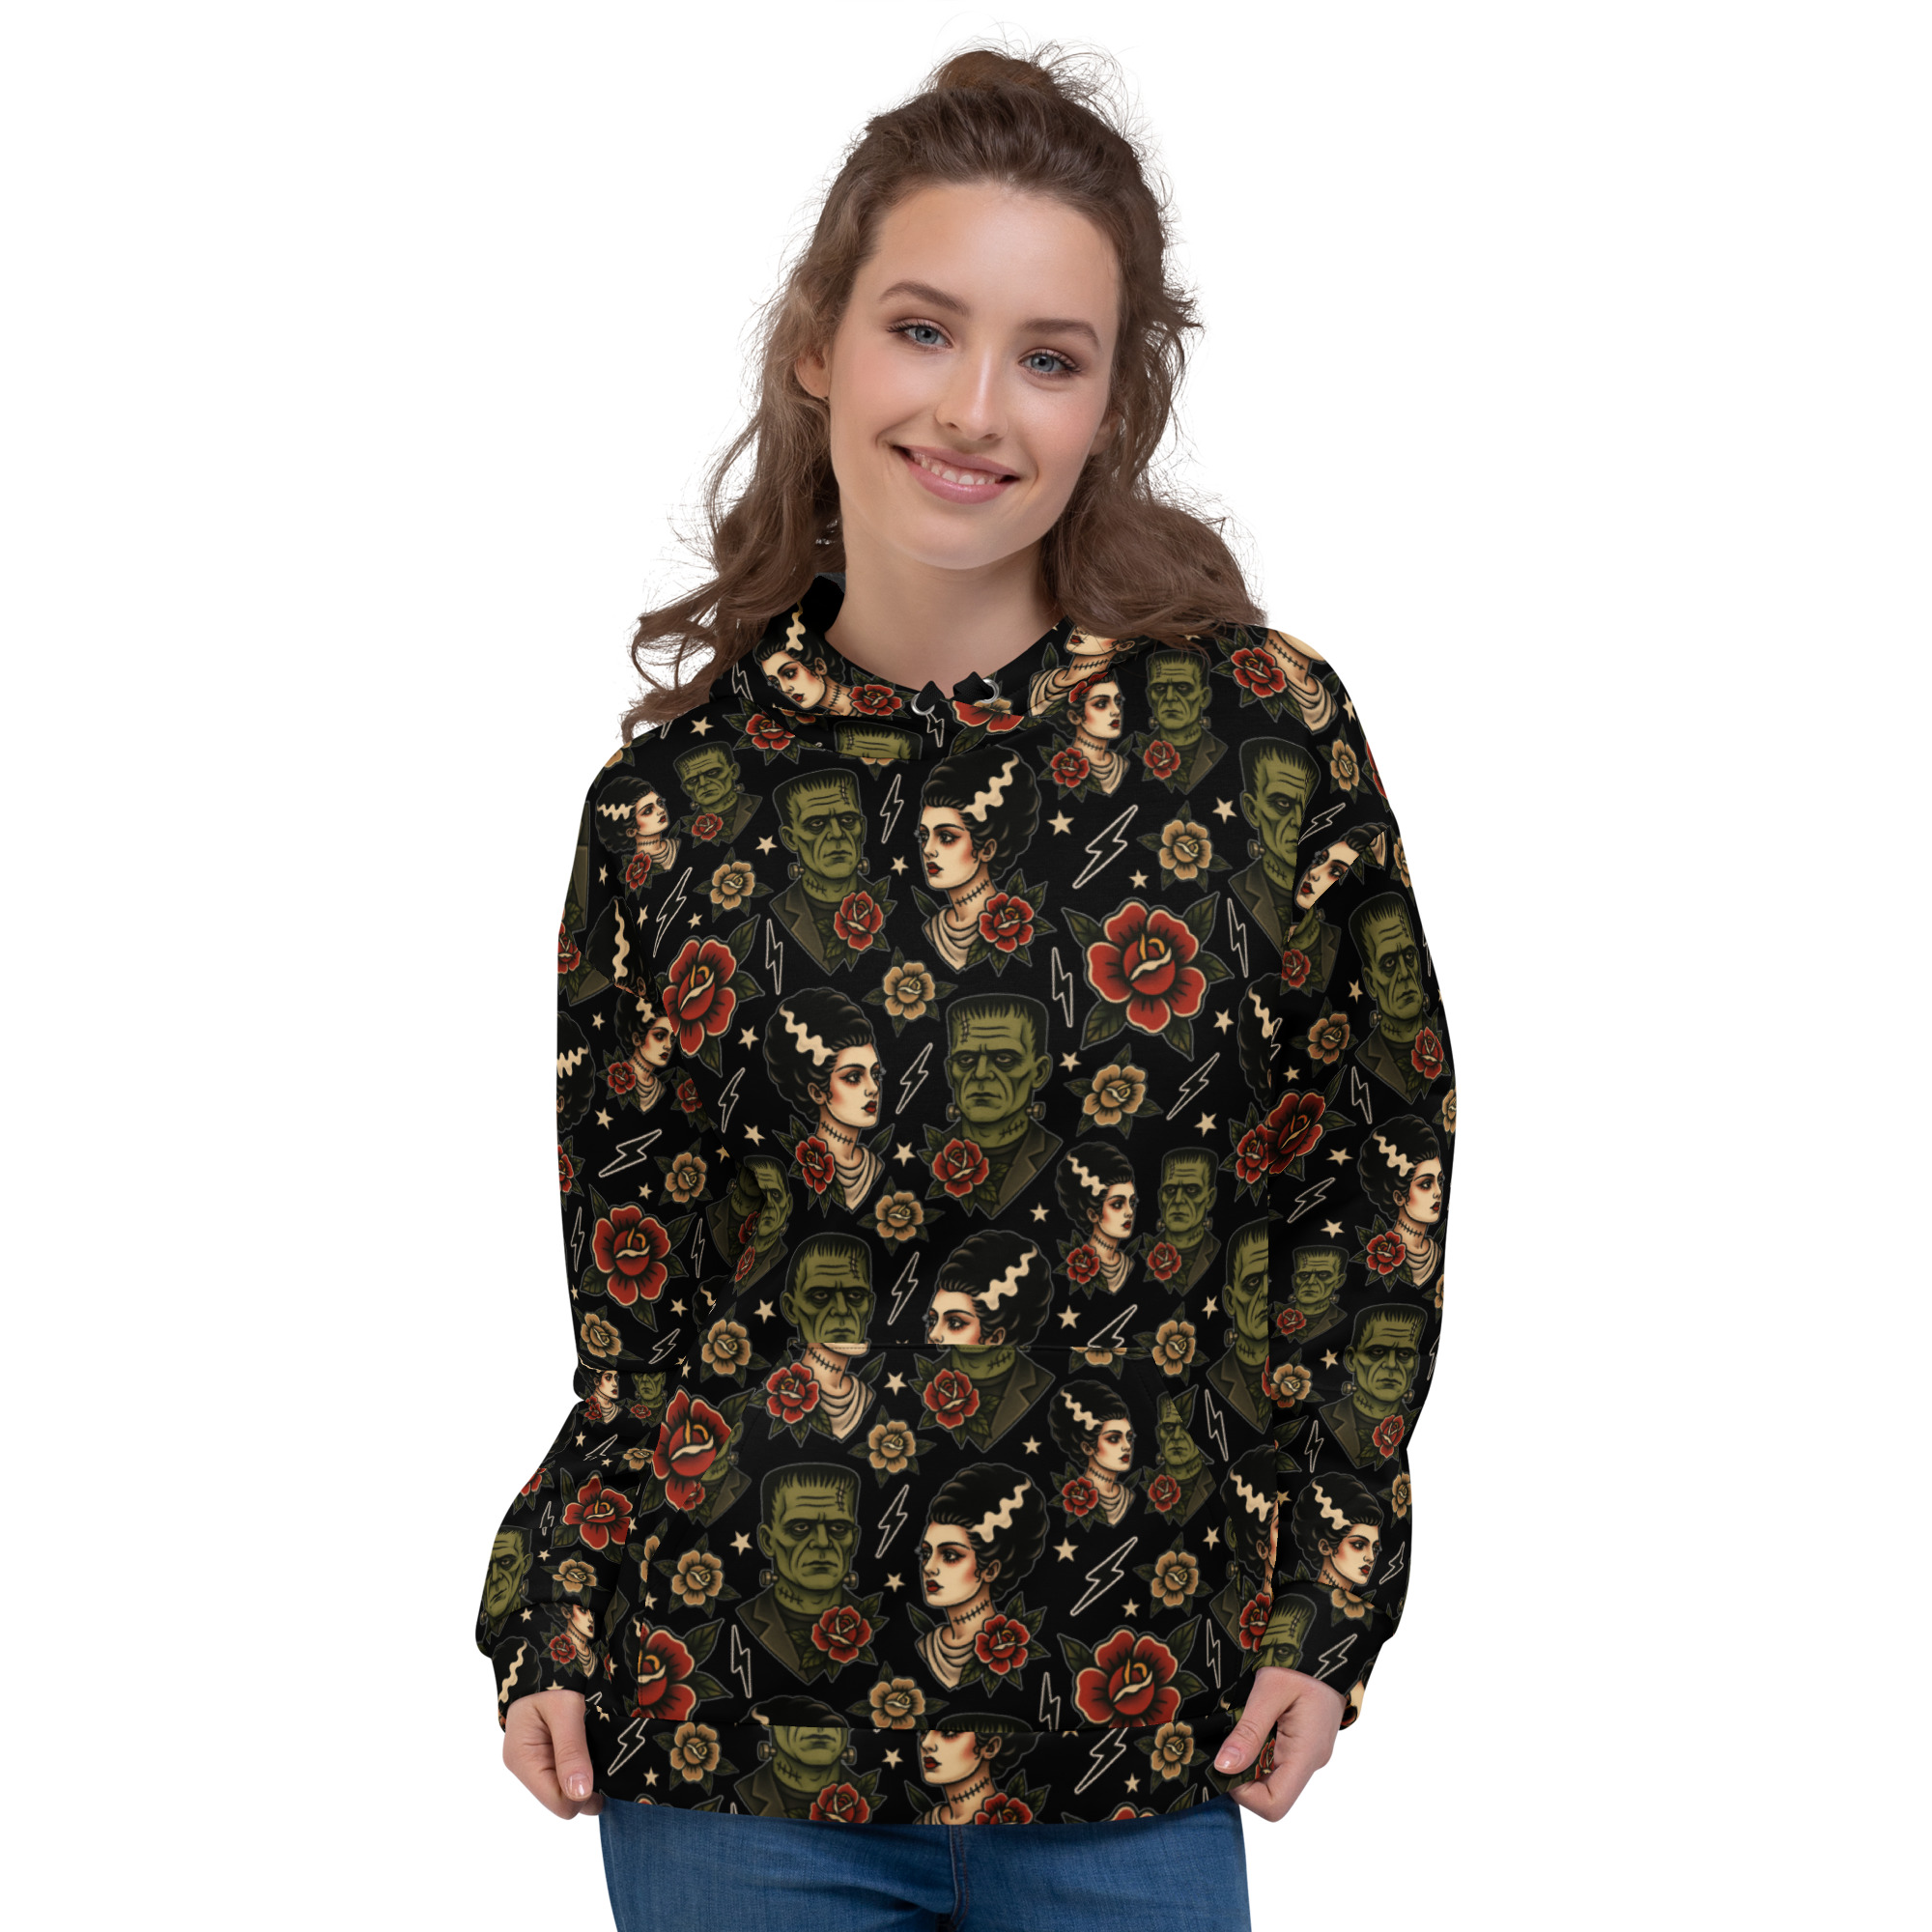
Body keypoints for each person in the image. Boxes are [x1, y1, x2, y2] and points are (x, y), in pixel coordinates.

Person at [475, 40, 1456, 1932]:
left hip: (1134, 1735)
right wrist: (561, 1606)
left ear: (1114, 402)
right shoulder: (673, 806)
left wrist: (1327, 1598)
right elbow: (636, 1298)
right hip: (725, 1744)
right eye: (924, 329)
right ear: (818, 346)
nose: (975, 408)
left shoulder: (1259, 740)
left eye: (1050, 356)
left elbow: (1372, 1174)